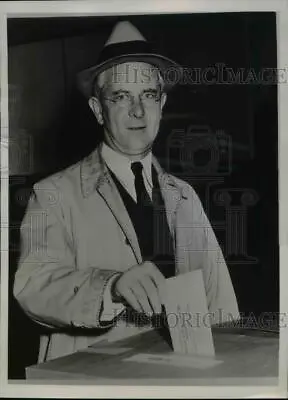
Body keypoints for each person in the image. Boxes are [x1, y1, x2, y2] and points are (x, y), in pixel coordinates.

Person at [13, 21, 239, 363]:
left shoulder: (184, 197)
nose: (138, 110)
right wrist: (110, 287)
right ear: (97, 109)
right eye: (121, 97)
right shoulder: (53, 194)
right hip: (93, 381)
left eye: (148, 95)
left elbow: (220, 302)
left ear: (161, 104)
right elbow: (33, 288)